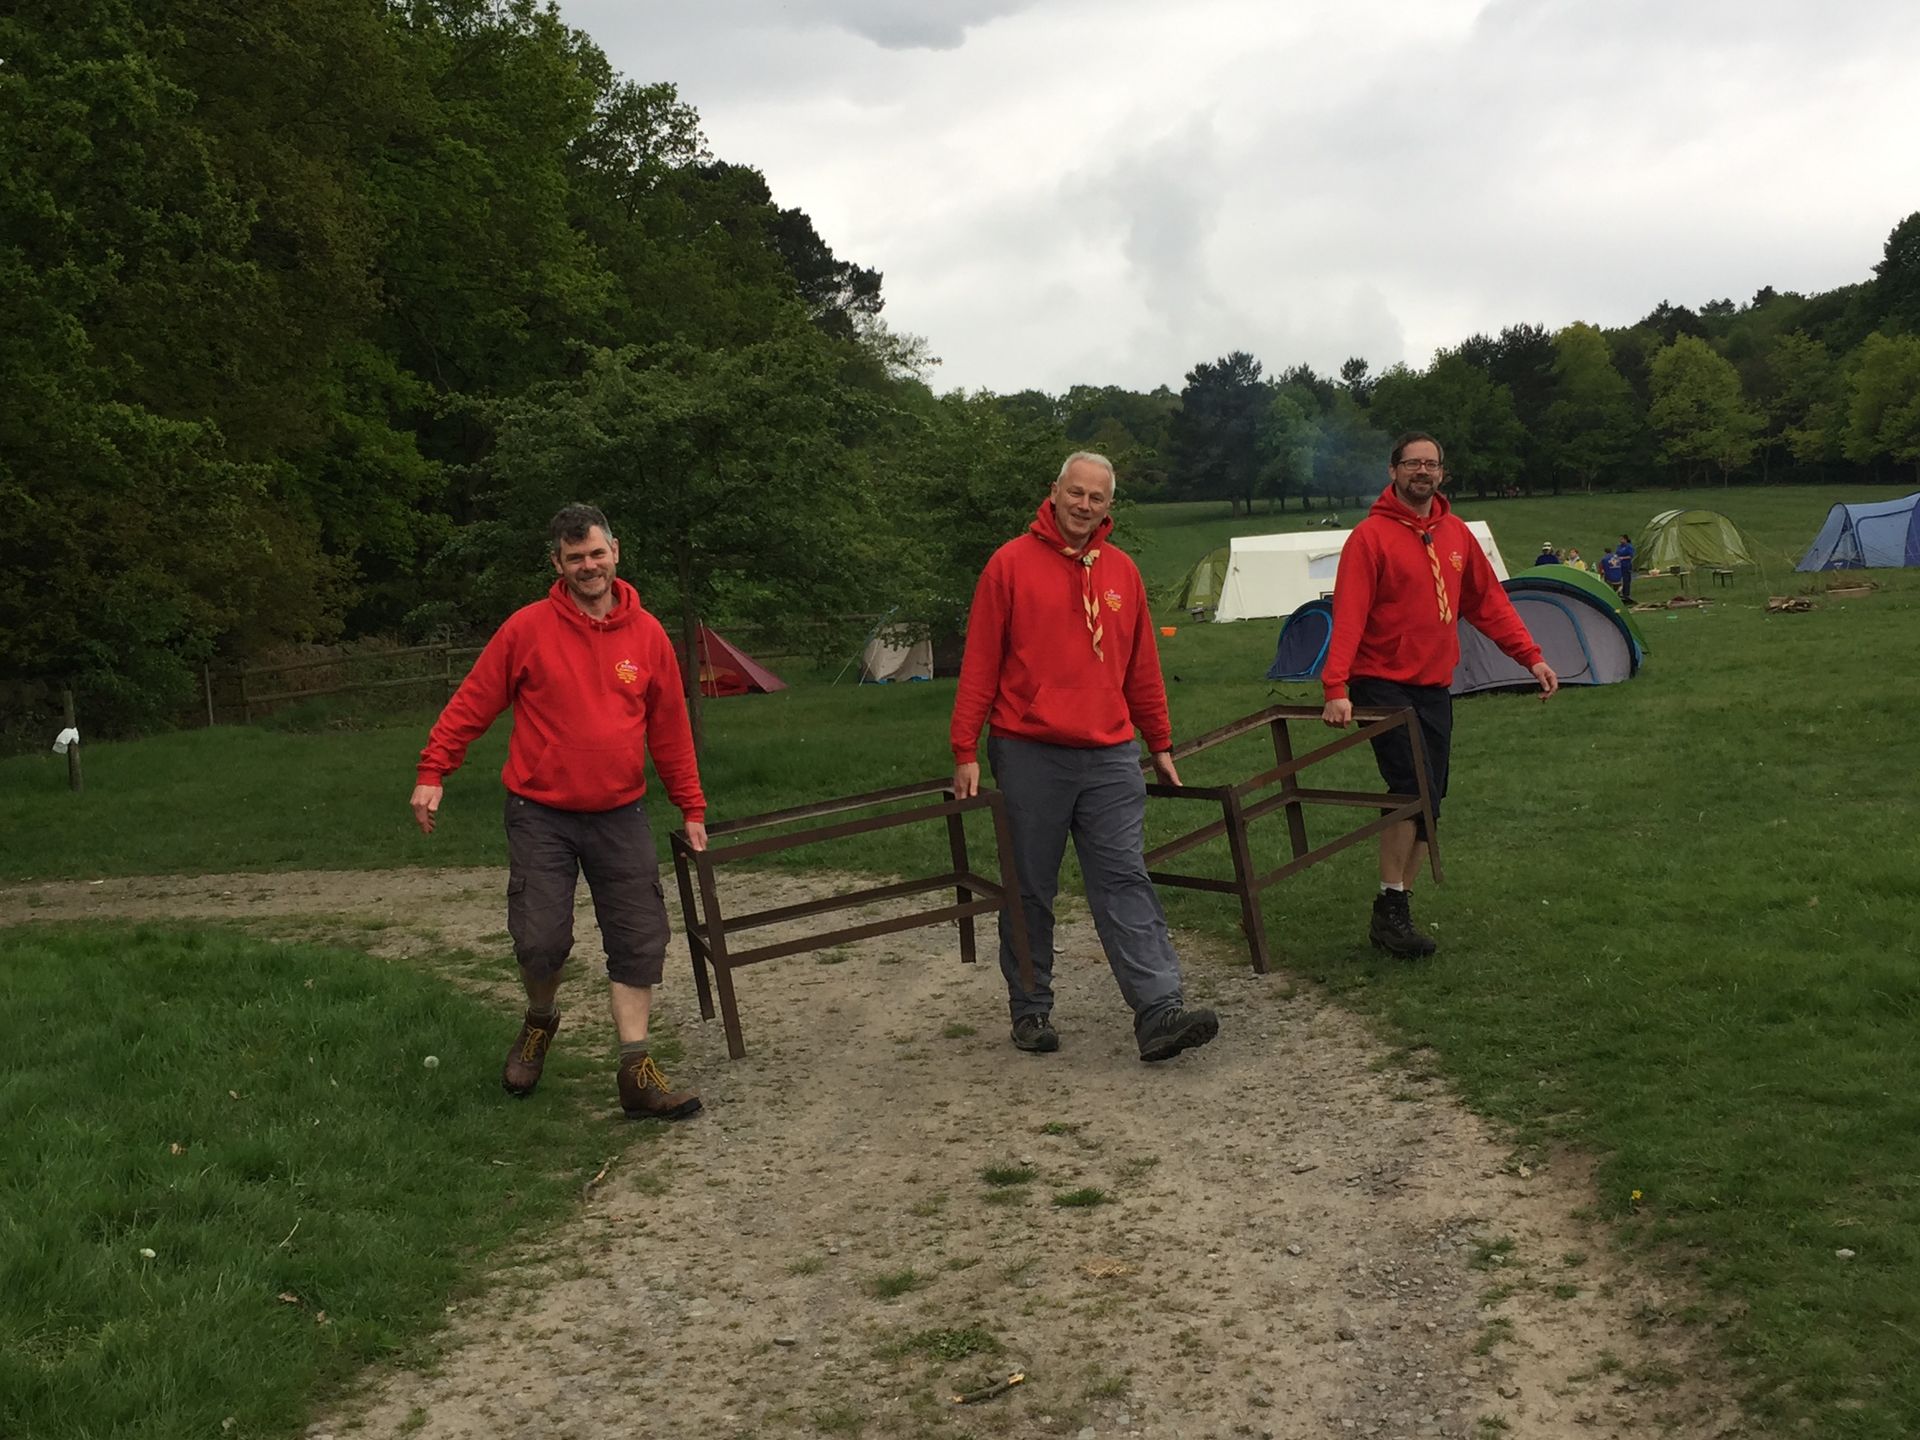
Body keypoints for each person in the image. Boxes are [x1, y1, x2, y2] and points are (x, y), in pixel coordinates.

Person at [410, 503, 708, 1121]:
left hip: (620, 812)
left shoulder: (648, 635)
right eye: (575, 558)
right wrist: (434, 769)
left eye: (596, 553)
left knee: (638, 938)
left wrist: (692, 805)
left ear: (615, 552)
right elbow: (473, 701)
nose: (588, 566)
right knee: (540, 941)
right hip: (539, 812)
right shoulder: (526, 629)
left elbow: (671, 731)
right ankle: (541, 1020)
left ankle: (637, 1072)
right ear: (558, 563)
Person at [951, 452, 1219, 1063]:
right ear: (1054, 493)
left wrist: (1160, 743)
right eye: (1075, 493)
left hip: (1110, 753)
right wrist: (965, 747)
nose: (1084, 506)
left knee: (1124, 876)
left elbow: (1142, 667)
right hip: (1028, 750)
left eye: (1097, 498)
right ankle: (1030, 1009)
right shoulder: (1009, 566)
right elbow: (981, 663)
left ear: (1109, 506)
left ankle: (1159, 1012)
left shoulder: (1122, 571)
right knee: (1030, 886)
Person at [1320, 433, 1559, 957]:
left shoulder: (1455, 535)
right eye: (1412, 464)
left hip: (1434, 685)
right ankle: (1392, 906)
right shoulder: (1370, 537)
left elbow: (1488, 603)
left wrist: (1531, 656)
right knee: (1409, 790)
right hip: (1381, 680)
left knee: (1433, 798)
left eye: (1431, 464)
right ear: (1394, 471)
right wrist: (1336, 686)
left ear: (1443, 474)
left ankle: (1395, 908)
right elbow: (1350, 614)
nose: (1421, 472)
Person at [1615, 533, 1636, 602]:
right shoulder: (1619, 546)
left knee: (1626, 580)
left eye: (1622, 539)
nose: (1620, 540)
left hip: (1626, 565)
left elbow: (1631, 556)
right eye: (1620, 539)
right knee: (1618, 580)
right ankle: (1619, 592)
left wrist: (1623, 558)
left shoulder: (1629, 546)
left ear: (1625, 539)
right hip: (1619, 565)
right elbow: (1616, 553)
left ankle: (1626, 594)